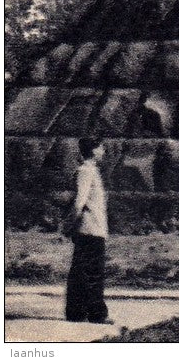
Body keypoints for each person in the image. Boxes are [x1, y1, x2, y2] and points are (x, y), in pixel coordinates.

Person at [65, 137, 112, 324]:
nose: (103, 151)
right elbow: (79, 202)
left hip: (94, 228)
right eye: (101, 147)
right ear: (93, 150)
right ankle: (96, 314)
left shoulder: (91, 171)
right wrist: (68, 225)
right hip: (89, 229)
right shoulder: (85, 171)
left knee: (82, 271)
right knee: (92, 273)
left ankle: (76, 313)